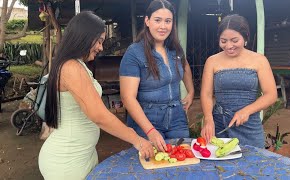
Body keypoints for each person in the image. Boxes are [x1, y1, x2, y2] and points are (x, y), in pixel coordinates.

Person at [38, 11, 154, 179]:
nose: (101, 47)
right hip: (67, 161)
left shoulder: (77, 65)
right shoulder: (71, 67)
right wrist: (137, 139)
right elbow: (99, 116)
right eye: (99, 41)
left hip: (83, 155)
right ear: (83, 37)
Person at [119, 0, 194, 152]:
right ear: (147, 21)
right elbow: (127, 97)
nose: (163, 26)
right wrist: (150, 131)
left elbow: (185, 66)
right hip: (147, 119)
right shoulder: (134, 53)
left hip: (177, 117)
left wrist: (191, 92)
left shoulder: (175, 49)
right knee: (152, 166)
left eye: (168, 21)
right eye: (157, 20)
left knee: (181, 160)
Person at [200, 14, 277, 148]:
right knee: (220, 167)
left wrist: (246, 111)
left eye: (234, 40)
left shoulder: (259, 60)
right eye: (223, 41)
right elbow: (206, 94)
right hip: (220, 126)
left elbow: (271, 95)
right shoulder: (212, 61)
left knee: (253, 165)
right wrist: (208, 119)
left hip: (249, 127)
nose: (229, 46)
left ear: (245, 37)